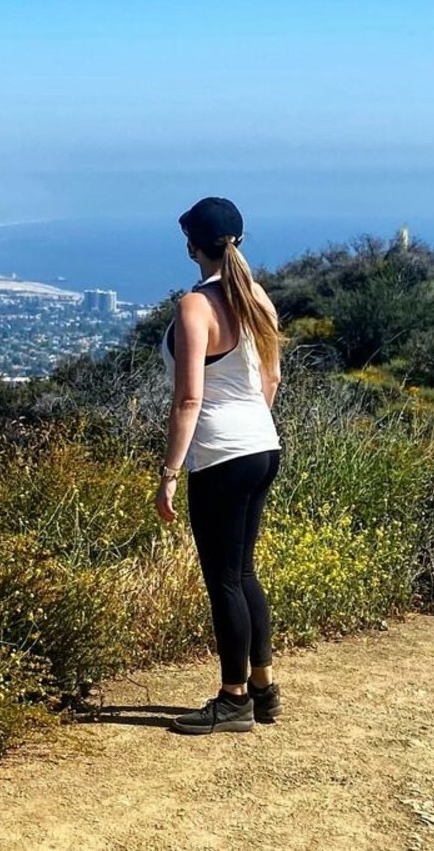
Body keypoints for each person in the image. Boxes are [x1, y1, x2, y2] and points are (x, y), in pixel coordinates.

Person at [155, 196, 283, 735]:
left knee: (224, 581)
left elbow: (189, 399)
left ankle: (233, 700)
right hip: (263, 445)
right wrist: (252, 428)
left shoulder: (195, 306)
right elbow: (271, 379)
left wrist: (169, 473)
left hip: (220, 455)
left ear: (192, 246)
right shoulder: (257, 297)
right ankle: (263, 689)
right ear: (239, 241)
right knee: (243, 572)